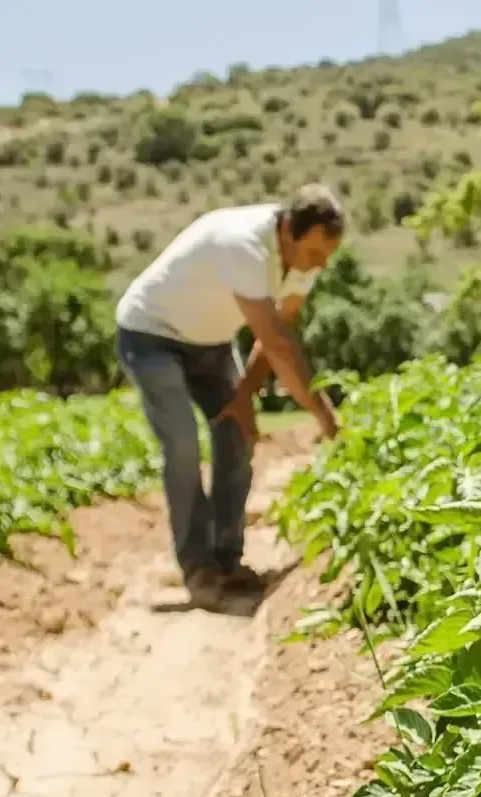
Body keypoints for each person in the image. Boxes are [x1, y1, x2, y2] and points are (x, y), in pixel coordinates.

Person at [114, 184, 344, 609]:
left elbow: (277, 336)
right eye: (314, 254)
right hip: (150, 336)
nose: (319, 266)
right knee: (183, 445)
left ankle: (226, 558)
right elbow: (276, 343)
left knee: (237, 434)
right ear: (289, 229)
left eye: (326, 256)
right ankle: (199, 569)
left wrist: (244, 399)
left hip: (213, 344)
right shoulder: (242, 243)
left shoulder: (305, 259)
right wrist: (327, 419)